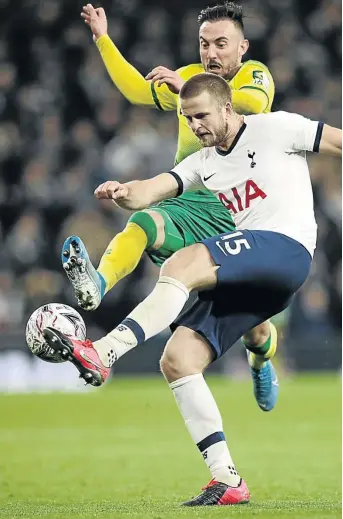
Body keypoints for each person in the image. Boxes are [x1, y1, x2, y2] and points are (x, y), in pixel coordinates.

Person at [44, 74, 342, 505]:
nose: (196, 125)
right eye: (188, 117)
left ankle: (103, 352)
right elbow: (153, 190)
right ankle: (228, 479)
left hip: (287, 248)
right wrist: (125, 192)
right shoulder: (204, 162)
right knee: (178, 360)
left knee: (184, 262)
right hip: (259, 278)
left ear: (227, 108)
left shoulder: (275, 127)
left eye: (202, 115)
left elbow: (336, 141)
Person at [64, 2, 278, 409]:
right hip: (192, 200)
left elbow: (248, 106)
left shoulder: (256, 76)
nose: (211, 53)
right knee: (144, 222)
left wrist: (189, 90)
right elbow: (135, 91)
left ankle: (260, 362)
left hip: (240, 208)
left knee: (256, 330)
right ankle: (98, 283)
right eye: (204, 44)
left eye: (221, 44)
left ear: (242, 47)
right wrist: (103, 40)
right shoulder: (188, 76)